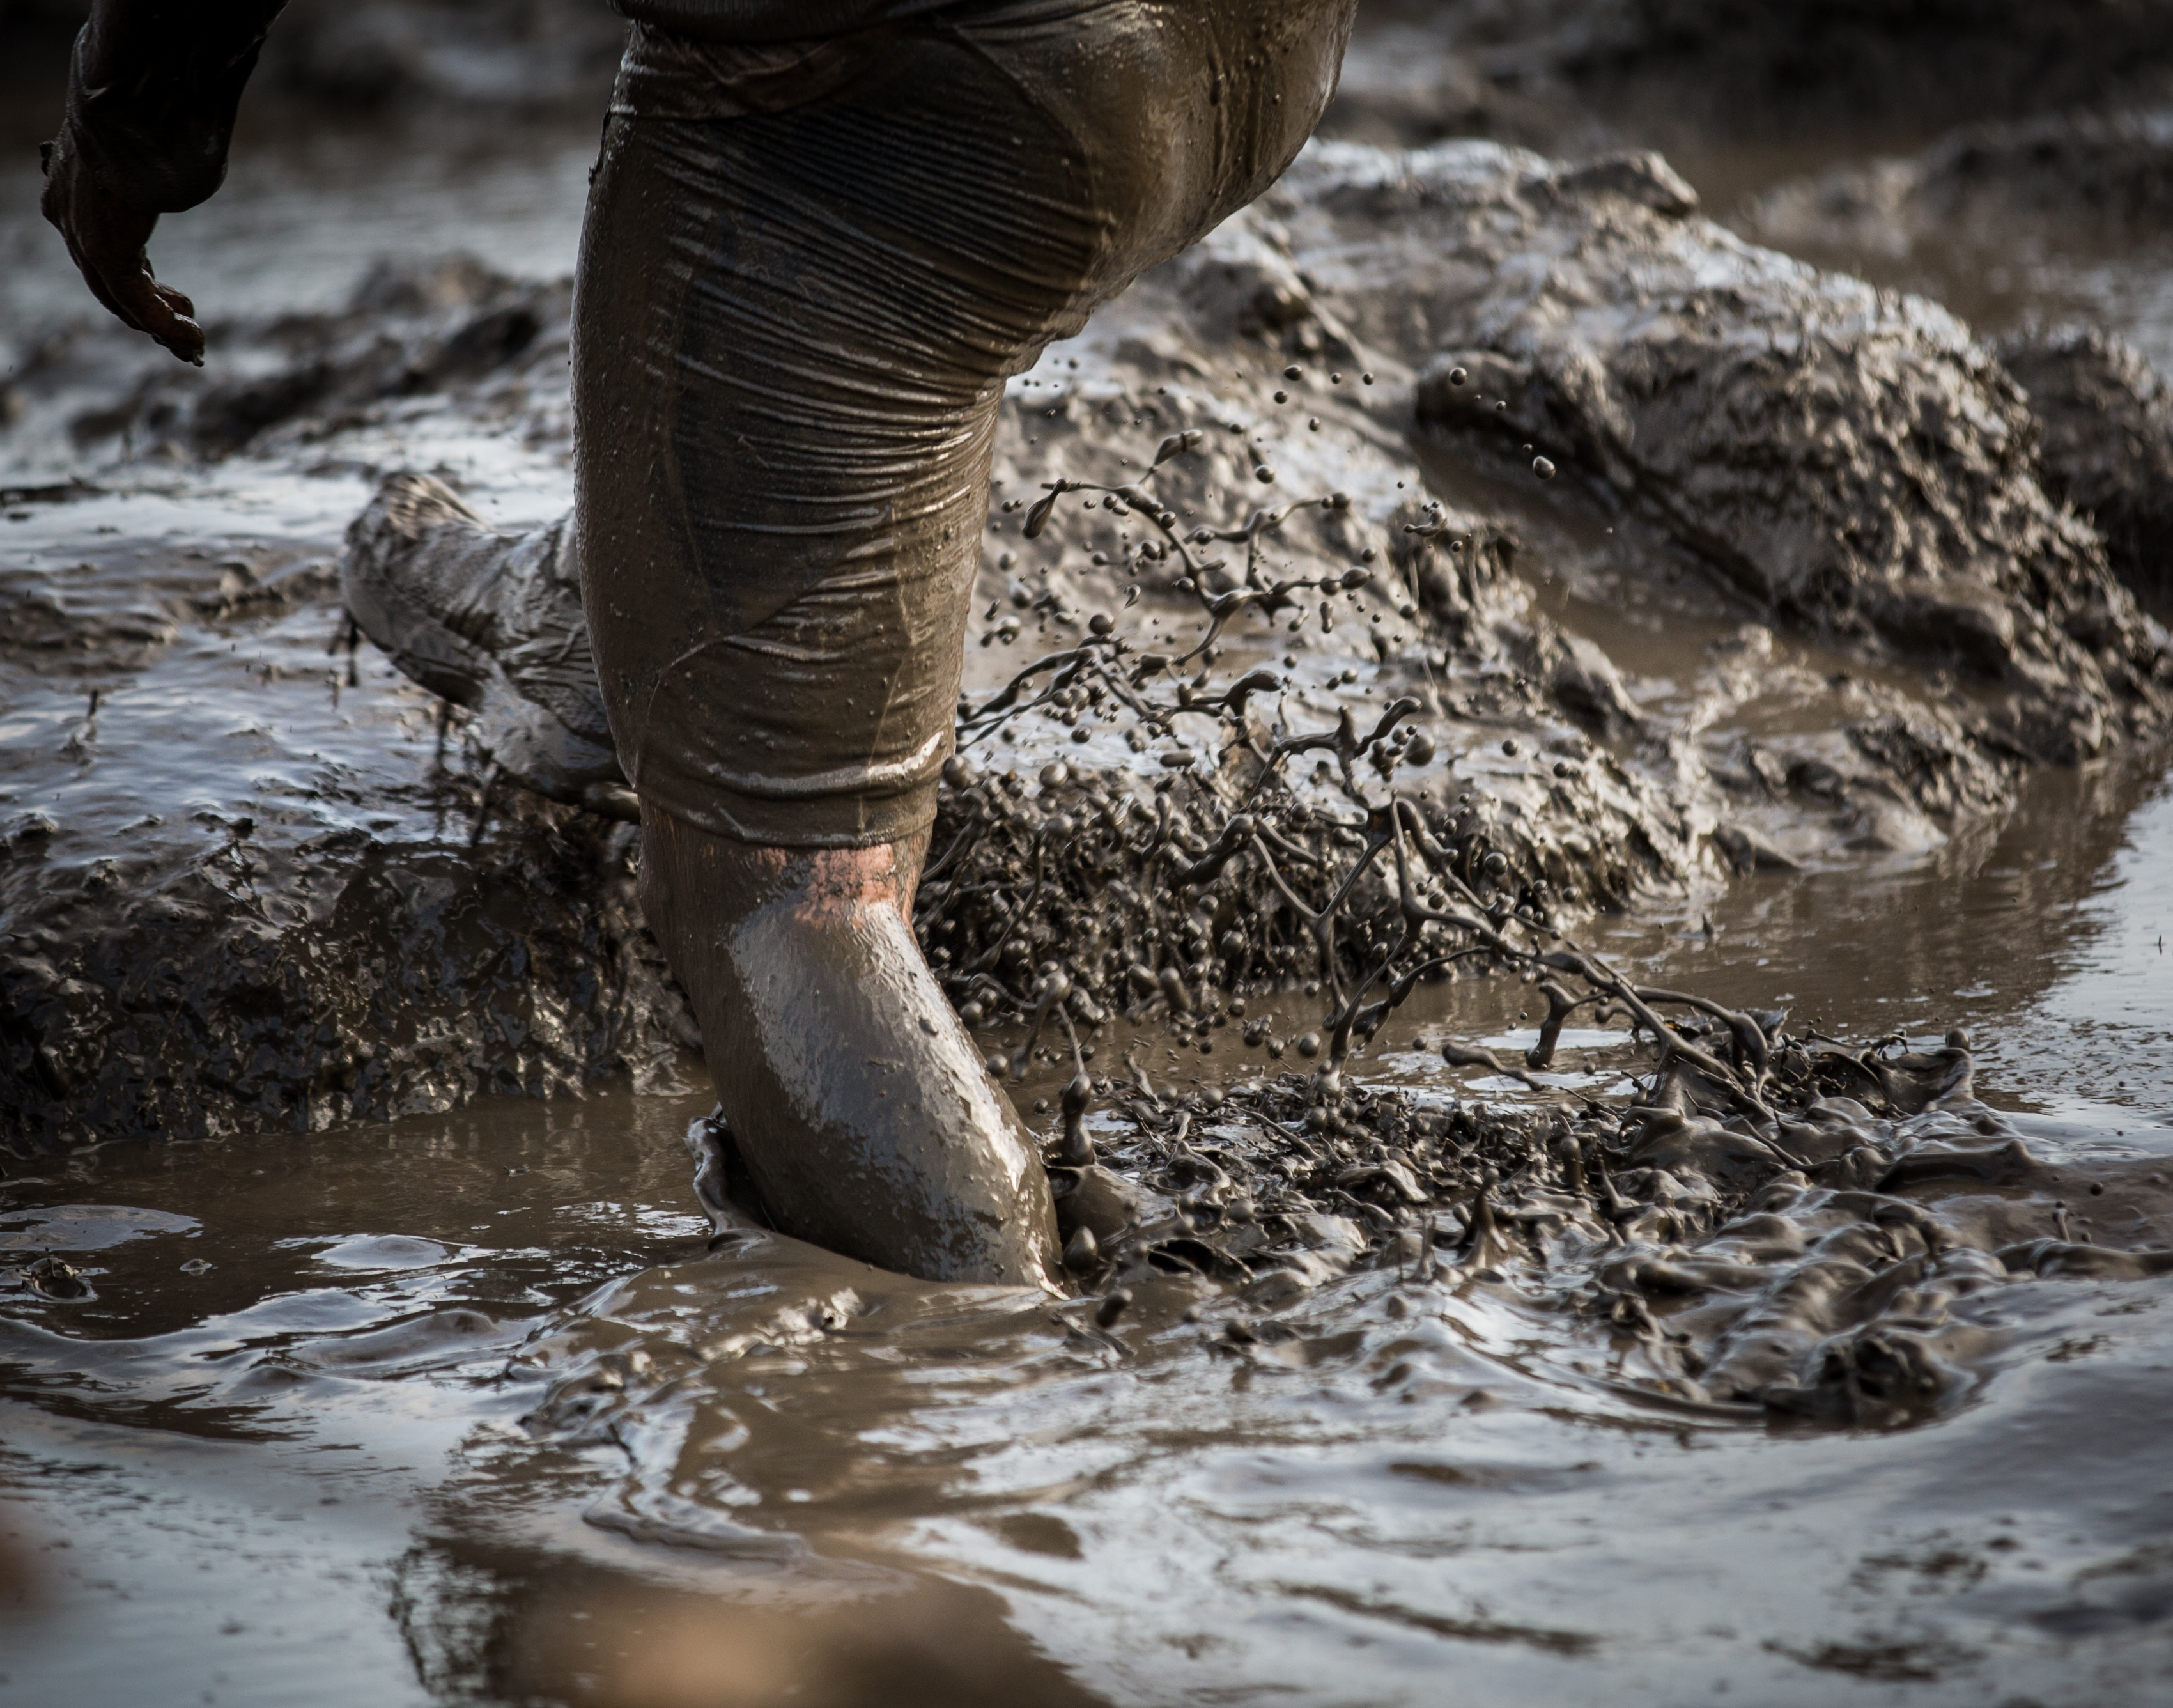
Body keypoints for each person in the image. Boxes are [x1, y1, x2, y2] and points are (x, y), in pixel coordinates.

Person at [40, 0, 1357, 1284]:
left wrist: (125, 136)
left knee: (786, 892)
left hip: (916, 86)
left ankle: (982, 1362)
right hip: (1254, 47)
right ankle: (612, 623)